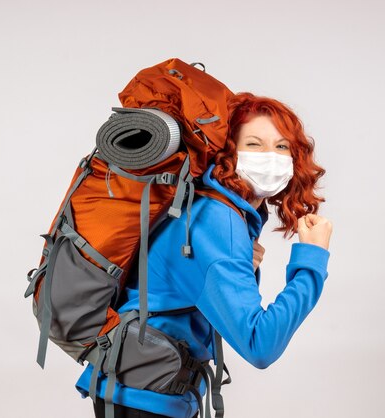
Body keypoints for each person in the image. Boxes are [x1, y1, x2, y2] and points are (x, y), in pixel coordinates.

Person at [75, 92, 333, 418]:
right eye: (254, 144)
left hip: (145, 389)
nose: (271, 156)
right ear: (229, 154)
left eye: (282, 147)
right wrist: (312, 258)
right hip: (145, 399)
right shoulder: (218, 220)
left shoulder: (218, 211)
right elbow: (260, 344)